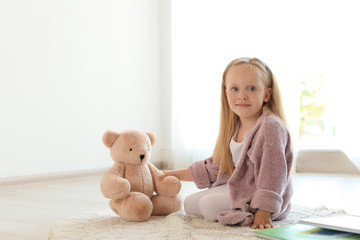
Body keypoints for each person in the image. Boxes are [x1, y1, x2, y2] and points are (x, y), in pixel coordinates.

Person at [160, 57, 293, 229]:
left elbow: (273, 174)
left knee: (208, 206)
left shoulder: (270, 127)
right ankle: (238, 206)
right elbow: (216, 167)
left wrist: (265, 211)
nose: (242, 96)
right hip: (241, 188)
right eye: (235, 89)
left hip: (265, 198)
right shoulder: (235, 126)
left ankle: (252, 210)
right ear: (226, 93)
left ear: (266, 94)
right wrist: (170, 174)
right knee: (190, 204)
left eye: (251, 88)